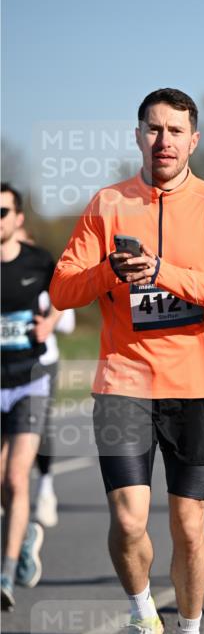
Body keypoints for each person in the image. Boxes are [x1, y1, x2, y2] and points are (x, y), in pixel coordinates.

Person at [50, 88, 204, 634]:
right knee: (128, 520)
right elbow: (62, 289)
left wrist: (167, 273)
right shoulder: (108, 203)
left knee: (189, 527)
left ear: (193, 140)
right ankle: (144, 615)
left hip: (196, 386)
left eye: (175, 130)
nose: (163, 140)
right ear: (138, 135)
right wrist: (107, 272)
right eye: (153, 128)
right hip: (123, 381)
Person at [1, 184, 63, 609]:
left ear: (18, 218)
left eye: (2, 212)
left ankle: (5, 575)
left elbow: (67, 292)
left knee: (15, 477)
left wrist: (50, 323)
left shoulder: (38, 260)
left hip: (30, 382)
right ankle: (24, 540)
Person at [14, 224, 76, 528]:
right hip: (6, 364)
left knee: (38, 426)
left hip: (42, 364)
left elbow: (68, 322)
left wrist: (47, 321)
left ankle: (46, 488)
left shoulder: (43, 278)